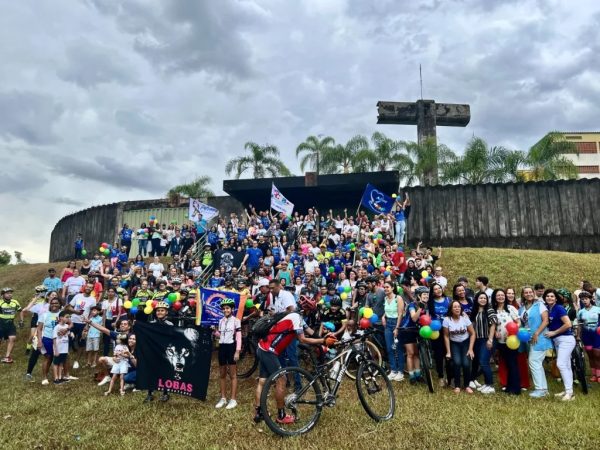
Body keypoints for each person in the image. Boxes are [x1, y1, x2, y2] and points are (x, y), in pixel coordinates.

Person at [253, 307, 335, 424]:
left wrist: (323, 339)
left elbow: (310, 332)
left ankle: (259, 413)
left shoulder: (291, 316)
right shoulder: (296, 318)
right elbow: (302, 339)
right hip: (269, 351)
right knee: (281, 380)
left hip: (262, 348)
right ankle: (281, 416)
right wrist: (323, 341)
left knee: (262, 381)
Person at [519, 286, 552, 398]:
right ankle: (544, 389)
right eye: (526, 292)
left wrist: (537, 333)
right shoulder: (522, 308)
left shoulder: (540, 305)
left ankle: (539, 389)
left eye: (530, 292)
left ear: (533, 293)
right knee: (537, 364)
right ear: (523, 295)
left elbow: (546, 321)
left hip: (540, 337)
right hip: (529, 339)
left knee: (533, 362)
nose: (528, 294)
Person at [544, 288, 576, 401]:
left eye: (552, 296)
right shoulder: (548, 308)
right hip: (558, 341)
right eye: (547, 296)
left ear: (556, 298)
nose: (549, 298)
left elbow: (568, 324)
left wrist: (554, 332)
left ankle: (569, 393)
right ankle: (569, 391)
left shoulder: (559, 308)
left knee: (561, 364)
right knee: (566, 365)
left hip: (566, 339)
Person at [214, 298, 241, 410]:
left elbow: (239, 337)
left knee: (233, 375)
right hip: (222, 347)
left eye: (228, 308)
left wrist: (237, 351)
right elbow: (220, 335)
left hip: (231, 347)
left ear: (232, 309)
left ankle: (233, 399)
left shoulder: (236, 320)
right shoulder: (221, 321)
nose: (226, 310)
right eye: (224, 308)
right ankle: (223, 398)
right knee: (222, 374)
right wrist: (214, 331)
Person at [443, 300, 476, 393]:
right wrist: (448, 351)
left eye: (459, 307)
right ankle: (457, 385)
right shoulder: (447, 320)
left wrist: (470, 349)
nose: (457, 309)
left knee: (466, 364)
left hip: (465, 342)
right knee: (457, 363)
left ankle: (467, 385)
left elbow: (473, 333)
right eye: (455, 307)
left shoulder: (465, 318)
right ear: (451, 309)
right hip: (454, 343)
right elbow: (446, 336)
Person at [492, 288, 521, 395]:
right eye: (498, 295)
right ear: (495, 297)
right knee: (507, 364)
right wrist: (495, 332)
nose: (500, 297)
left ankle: (516, 389)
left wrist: (513, 330)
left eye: (502, 295)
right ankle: (509, 387)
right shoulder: (493, 310)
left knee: (513, 363)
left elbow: (518, 322)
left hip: (512, 340)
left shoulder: (510, 308)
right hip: (501, 342)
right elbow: (492, 325)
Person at [469, 292, 497, 394]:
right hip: (477, 340)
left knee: (484, 362)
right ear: (477, 299)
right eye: (481, 298)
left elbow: (493, 324)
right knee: (477, 361)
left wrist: (490, 339)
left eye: (485, 298)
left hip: (486, 339)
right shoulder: (475, 311)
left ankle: (490, 385)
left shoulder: (489, 310)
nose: (483, 300)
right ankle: (485, 384)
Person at [65, 282, 96, 369]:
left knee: (81, 342)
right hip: (73, 322)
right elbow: (69, 307)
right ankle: (64, 359)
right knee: (68, 339)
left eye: (90, 287)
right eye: (87, 286)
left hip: (83, 323)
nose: (88, 288)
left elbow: (92, 313)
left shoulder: (93, 300)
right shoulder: (78, 296)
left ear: (92, 289)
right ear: (84, 287)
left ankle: (76, 361)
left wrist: (87, 324)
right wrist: (75, 312)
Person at [402, 285, 429, 383]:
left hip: (418, 330)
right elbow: (414, 318)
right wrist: (419, 309)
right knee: (411, 353)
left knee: (417, 353)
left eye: (427, 294)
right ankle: (412, 376)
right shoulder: (412, 305)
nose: (426, 296)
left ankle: (418, 374)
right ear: (419, 296)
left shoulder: (426, 305)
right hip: (407, 329)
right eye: (424, 294)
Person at [428, 282, 451, 387]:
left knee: (449, 353)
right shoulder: (430, 302)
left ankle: (450, 377)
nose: (438, 290)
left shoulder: (448, 300)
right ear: (432, 292)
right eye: (435, 289)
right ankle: (441, 376)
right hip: (436, 332)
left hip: (449, 330)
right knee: (438, 354)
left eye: (439, 288)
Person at [382, 281, 405, 381]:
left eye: (387, 287)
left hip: (396, 323)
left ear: (392, 288)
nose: (386, 289)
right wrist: (383, 317)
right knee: (389, 348)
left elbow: (400, 314)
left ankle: (400, 371)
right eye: (384, 287)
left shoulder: (398, 298)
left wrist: (397, 328)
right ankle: (393, 370)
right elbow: (387, 311)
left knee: (398, 348)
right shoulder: (385, 298)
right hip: (388, 324)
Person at [576, 291, 600, 382]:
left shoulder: (598, 309)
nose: (584, 301)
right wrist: (578, 336)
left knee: (597, 354)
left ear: (590, 299)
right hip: (586, 335)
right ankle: (594, 374)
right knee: (590, 355)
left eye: (586, 299)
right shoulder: (580, 312)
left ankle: (599, 375)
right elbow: (579, 325)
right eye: (582, 299)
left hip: (597, 334)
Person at [0, 287, 21, 363]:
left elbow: (20, 311)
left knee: (12, 338)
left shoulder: (15, 302)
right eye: (7, 293)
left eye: (10, 293)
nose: (9, 294)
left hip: (10, 324)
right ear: (2, 295)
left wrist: (21, 320)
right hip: (1, 324)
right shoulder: (0, 303)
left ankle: (7, 357)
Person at [52, 311, 71, 384]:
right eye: (66, 317)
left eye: (69, 317)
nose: (68, 318)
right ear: (61, 318)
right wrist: (56, 350)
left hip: (64, 348)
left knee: (61, 363)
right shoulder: (57, 327)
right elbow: (54, 338)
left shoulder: (66, 326)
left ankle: (60, 377)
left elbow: (67, 335)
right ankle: (56, 378)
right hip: (58, 348)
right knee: (56, 363)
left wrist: (71, 334)